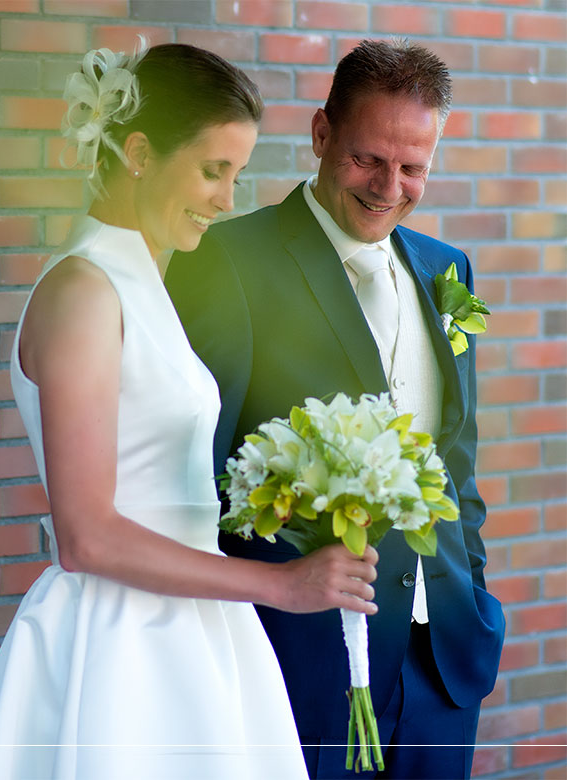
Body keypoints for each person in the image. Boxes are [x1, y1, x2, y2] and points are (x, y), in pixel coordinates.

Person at [0, 43, 380, 780]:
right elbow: (85, 537)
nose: (226, 198)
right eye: (214, 171)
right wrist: (282, 585)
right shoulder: (85, 290)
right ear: (141, 153)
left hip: (196, 629)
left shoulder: (144, 278)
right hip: (122, 646)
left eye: (237, 176)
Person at [166, 39, 506, 779]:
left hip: (441, 666)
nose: (390, 186)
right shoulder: (226, 261)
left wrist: (474, 591)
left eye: (414, 167)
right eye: (367, 159)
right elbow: (197, 482)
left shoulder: (448, 270)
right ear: (321, 135)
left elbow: (456, 460)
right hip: (300, 666)